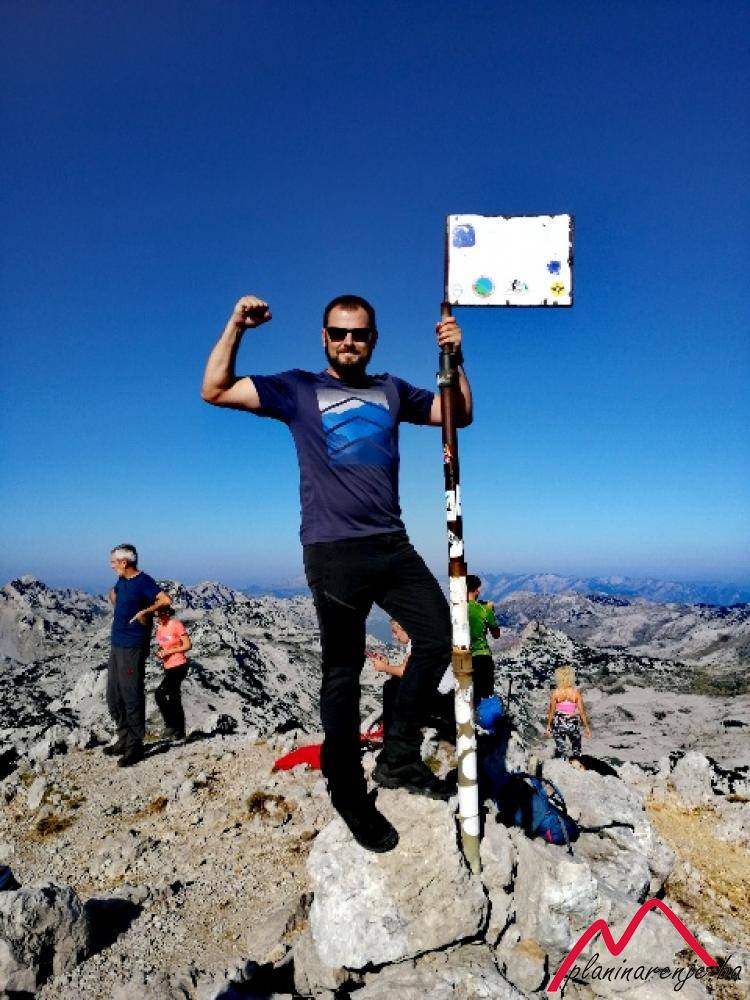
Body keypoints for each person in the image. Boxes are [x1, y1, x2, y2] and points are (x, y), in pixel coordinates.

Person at [201, 293, 472, 852]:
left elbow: (458, 414)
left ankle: (398, 758)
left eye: (360, 334)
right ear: (324, 337)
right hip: (333, 551)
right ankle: (347, 789)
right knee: (343, 674)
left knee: (440, 634)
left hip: (392, 544)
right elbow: (215, 389)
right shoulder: (297, 388)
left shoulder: (392, 390)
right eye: (339, 333)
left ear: (374, 339)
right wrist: (236, 326)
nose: (349, 342)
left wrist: (456, 357)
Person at [105, 545, 172, 767]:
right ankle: (123, 738)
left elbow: (165, 600)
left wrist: (146, 611)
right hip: (117, 643)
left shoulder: (144, 581)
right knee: (114, 695)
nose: (111, 565)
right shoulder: (122, 580)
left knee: (131, 694)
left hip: (133, 646)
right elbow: (115, 595)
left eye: (114, 562)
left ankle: (135, 746)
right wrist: (114, 597)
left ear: (124, 562)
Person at [154, 605, 192, 740]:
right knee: (174, 697)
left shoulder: (176, 624)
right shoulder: (159, 627)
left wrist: (170, 651)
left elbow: (188, 645)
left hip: (179, 665)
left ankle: (171, 726)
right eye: (156, 615)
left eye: (160, 615)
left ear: (166, 613)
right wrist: (160, 652)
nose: (158, 618)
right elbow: (162, 646)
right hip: (168, 666)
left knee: (160, 693)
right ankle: (179, 732)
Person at [545, 665, 592, 761]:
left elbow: (551, 712)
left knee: (561, 749)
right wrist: (586, 727)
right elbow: (582, 712)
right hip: (572, 722)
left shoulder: (556, 693)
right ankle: (577, 763)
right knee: (576, 749)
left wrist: (548, 726)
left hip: (559, 722)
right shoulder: (575, 693)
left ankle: (561, 764)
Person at [467, 575, 501, 704]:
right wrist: (491, 611)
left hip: (462, 657)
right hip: (482, 656)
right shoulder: (484, 609)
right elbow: (496, 635)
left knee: (468, 697)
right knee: (486, 697)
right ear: (477, 590)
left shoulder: (455, 609)